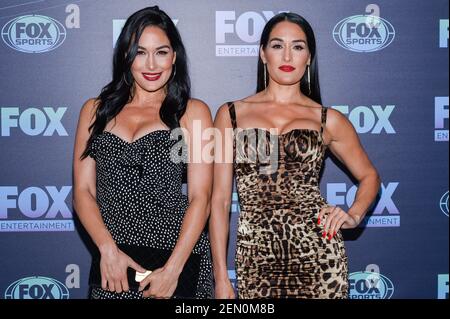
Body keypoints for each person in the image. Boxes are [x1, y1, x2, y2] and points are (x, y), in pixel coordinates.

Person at [210, 12, 381, 299]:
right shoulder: (231, 114)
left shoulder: (328, 119)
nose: (287, 55)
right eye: (277, 46)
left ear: (309, 57)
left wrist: (353, 215)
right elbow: (220, 200)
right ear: (263, 54)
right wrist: (220, 278)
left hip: (319, 256)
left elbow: (370, 176)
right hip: (257, 257)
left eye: (298, 46)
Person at [73, 6, 214, 299]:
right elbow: (83, 191)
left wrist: (174, 268)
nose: (151, 64)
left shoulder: (193, 113)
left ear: (174, 57)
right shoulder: (94, 111)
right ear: (126, 56)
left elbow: (201, 196)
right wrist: (107, 249)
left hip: (175, 258)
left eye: (161, 52)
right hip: (113, 259)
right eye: (140, 52)